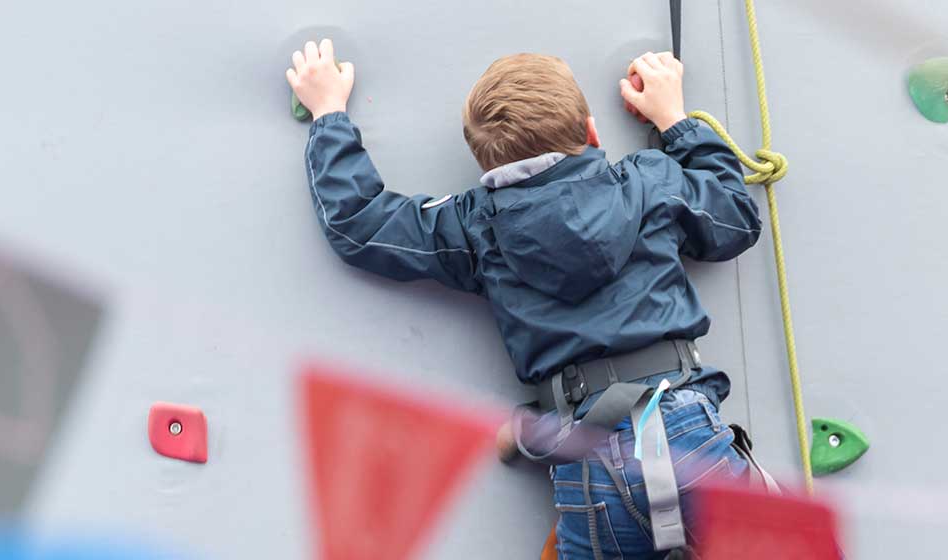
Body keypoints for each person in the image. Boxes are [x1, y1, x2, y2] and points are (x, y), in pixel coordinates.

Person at [285, 40, 766, 559]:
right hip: (682, 428)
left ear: (482, 162)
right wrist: (675, 119)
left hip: (588, 458)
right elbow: (735, 218)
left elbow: (361, 226)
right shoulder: (649, 181)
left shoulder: (474, 225)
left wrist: (329, 112)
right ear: (590, 131)